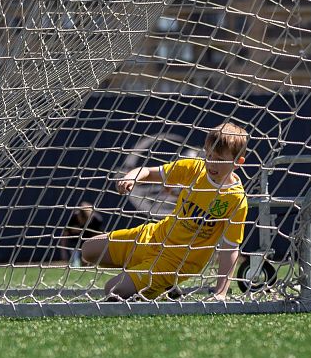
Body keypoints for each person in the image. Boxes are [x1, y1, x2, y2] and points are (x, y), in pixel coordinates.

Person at [81, 122, 249, 300]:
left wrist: (220, 293)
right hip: (154, 237)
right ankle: (154, 281)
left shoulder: (235, 199)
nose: (211, 163)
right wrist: (132, 177)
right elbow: (147, 171)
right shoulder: (194, 169)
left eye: (220, 160)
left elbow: (230, 248)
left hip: (177, 262)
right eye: (209, 155)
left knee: (112, 289)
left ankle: (156, 280)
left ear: (238, 162)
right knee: (88, 250)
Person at [61, 202, 104, 267]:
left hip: (89, 241)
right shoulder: (74, 218)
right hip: (75, 244)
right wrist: (63, 251)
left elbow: (99, 237)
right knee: (75, 264)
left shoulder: (96, 220)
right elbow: (65, 235)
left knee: (89, 262)